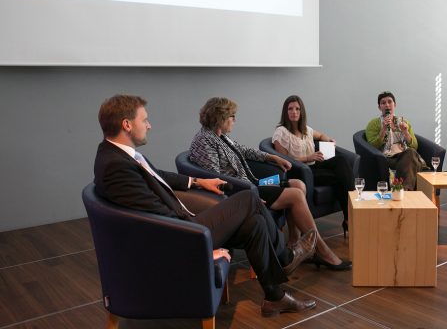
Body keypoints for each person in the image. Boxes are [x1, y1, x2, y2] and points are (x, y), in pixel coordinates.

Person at [93, 94, 318, 317]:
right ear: (127, 124)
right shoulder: (116, 166)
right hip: (182, 234)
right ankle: (286, 258)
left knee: (256, 222)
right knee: (249, 197)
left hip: (182, 223)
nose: (149, 125)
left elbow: (157, 176)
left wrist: (197, 180)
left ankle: (274, 297)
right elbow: (151, 217)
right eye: (145, 120)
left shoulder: (118, 156)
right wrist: (201, 246)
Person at [189, 97, 351, 271]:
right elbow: (217, 179)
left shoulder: (220, 136)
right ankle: (322, 251)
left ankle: (294, 243)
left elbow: (244, 150)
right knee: (295, 195)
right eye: (232, 116)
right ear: (220, 118)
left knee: (298, 184)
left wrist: (273, 157)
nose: (235, 120)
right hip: (244, 191)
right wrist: (249, 194)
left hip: (254, 183)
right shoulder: (204, 141)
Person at [272, 95, 354, 239]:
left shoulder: (306, 130)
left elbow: (321, 134)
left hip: (314, 166)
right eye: (290, 109)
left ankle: (350, 215)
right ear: (285, 112)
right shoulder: (281, 132)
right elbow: (284, 160)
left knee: (341, 161)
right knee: (339, 178)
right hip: (300, 173)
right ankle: (351, 217)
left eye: (297, 109)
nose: (294, 112)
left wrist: (328, 140)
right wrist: (308, 158)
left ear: (302, 111)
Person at [365, 91, 425, 190]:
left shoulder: (403, 122)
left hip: (405, 155)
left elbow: (414, 146)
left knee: (410, 153)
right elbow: (372, 146)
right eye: (383, 103)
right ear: (379, 107)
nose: (387, 105)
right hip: (387, 157)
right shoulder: (373, 124)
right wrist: (383, 129)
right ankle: (406, 192)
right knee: (412, 157)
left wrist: (405, 132)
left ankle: (402, 190)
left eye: (390, 102)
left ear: (395, 105)